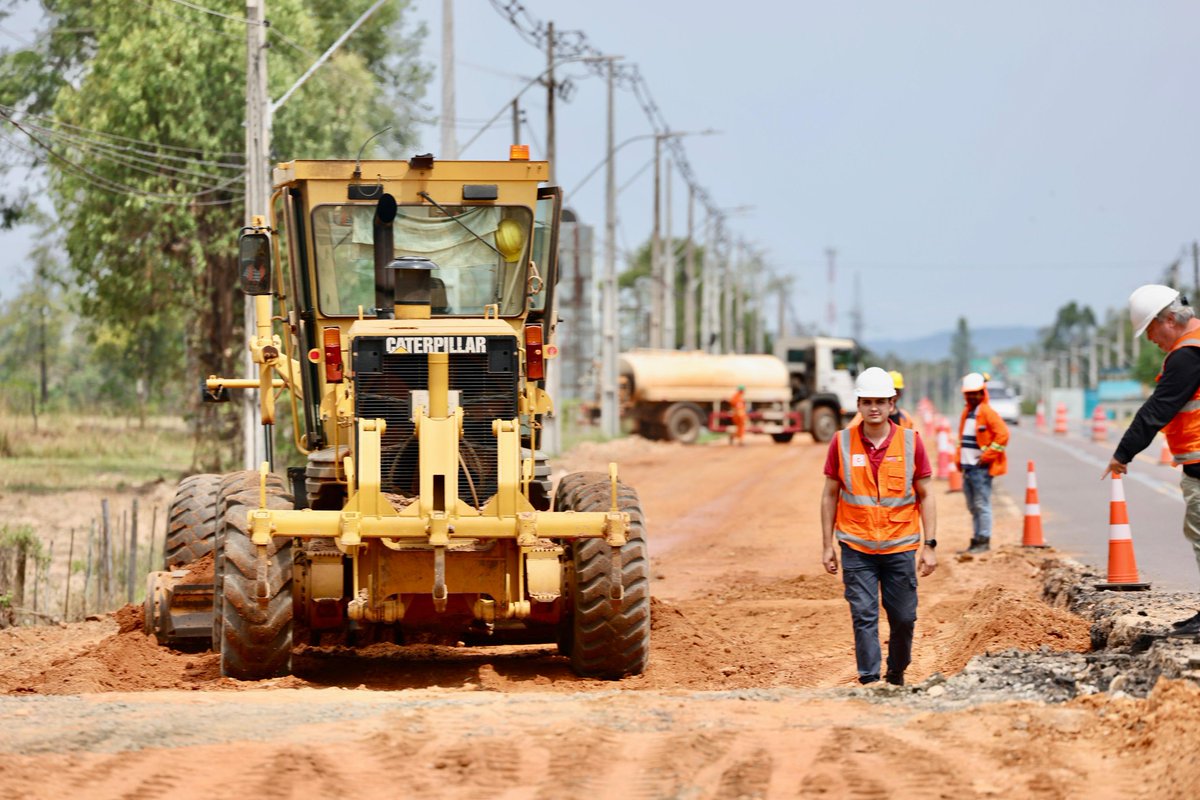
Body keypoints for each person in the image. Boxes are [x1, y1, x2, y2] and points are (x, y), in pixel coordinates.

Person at [821, 367, 938, 686]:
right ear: (858, 404)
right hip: (856, 547)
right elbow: (830, 494)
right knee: (864, 615)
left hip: (900, 546)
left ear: (892, 404)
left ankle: (896, 672)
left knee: (904, 618)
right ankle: (869, 680)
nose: (874, 407)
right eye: (868, 401)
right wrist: (827, 545)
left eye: (880, 401)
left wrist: (930, 545)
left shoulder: (911, 442)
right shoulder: (841, 442)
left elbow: (926, 495)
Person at [1103, 285, 1200, 635]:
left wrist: (1123, 453)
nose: (1149, 339)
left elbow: (1158, 408)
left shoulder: (1187, 355)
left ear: (1169, 319)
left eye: (1150, 329)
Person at [957, 372, 1009, 554]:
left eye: (975, 393)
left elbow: (1003, 435)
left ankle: (983, 539)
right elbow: (961, 439)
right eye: (969, 393)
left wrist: (987, 456)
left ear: (982, 393)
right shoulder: (968, 413)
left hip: (980, 469)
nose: (972, 396)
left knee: (981, 504)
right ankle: (976, 538)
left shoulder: (987, 412)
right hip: (968, 468)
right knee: (973, 507)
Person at [848, 369, 915, 429]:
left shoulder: (905, 417)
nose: (874, 408)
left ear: (899, 394)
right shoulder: (863, 416)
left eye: (895, 392)